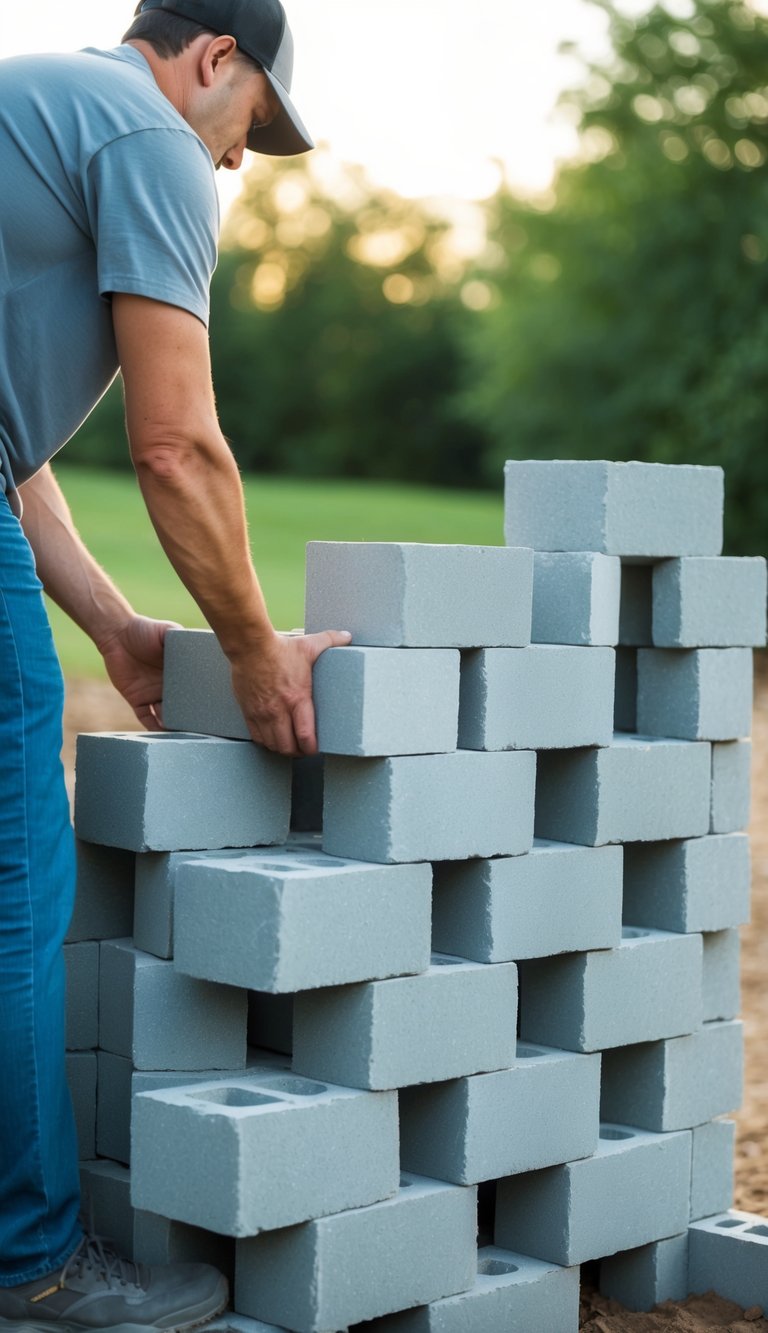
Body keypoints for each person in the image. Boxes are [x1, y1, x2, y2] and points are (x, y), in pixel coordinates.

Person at [0, 1, 350, 1327]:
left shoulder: (40, 109)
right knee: (17, 873)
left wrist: (119, 629)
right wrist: (258, 658)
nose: (237, 166)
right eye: (251, 127)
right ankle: (31, 1260)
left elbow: (14, 462)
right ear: (213, 63)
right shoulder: (149, 138)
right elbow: (180, 450)